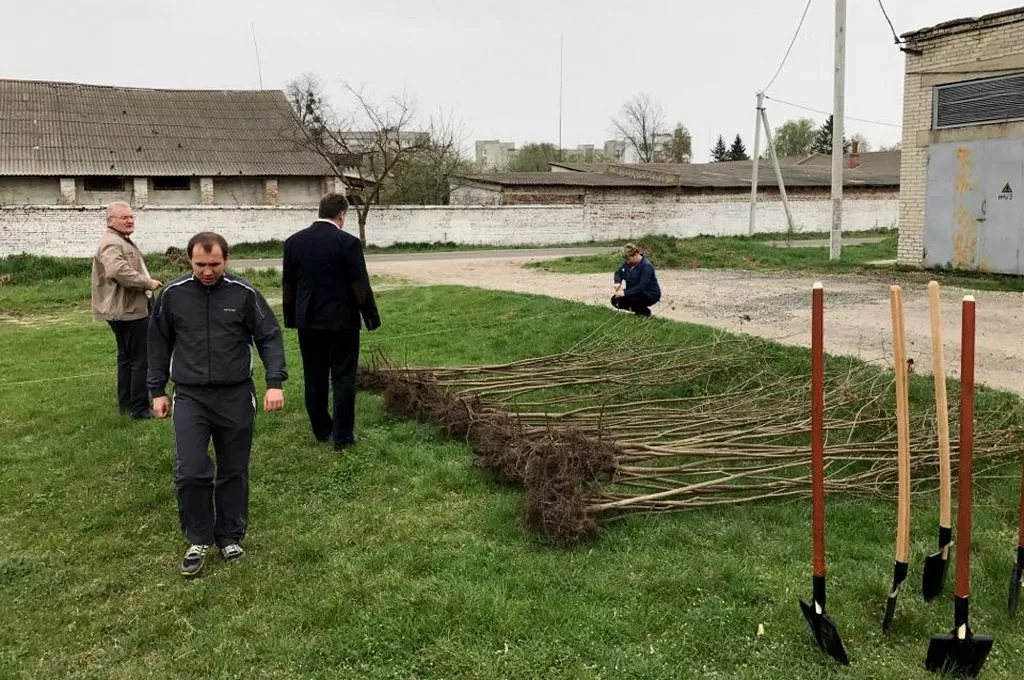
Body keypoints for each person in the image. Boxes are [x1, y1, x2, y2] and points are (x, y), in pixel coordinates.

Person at [148, 232, 287, 578]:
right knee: (191, 469)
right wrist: (157, 390)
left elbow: (269, 336)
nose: (207, 271)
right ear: (189, 261)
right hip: (191, 396)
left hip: (236, 395)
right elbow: (157, 343)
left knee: (233, 469)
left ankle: (229, 536)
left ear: (226, 260)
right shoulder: (173, 295)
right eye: (200, 265)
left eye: (214, 264)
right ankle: (197, 538)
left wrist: (274, 383)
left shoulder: (244, 294)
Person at [283, 193, 381, 451]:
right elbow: (359, 284)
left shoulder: (293, 242)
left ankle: (322, 429)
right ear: (341, 215)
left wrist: (291, 316)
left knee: (314, 376)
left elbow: (289, 285)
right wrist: (370, 316)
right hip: (342, 323)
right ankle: (343, 436)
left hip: (308, 322)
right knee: (343, 377)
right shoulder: (347, 242)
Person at [91, 201, 163, 419]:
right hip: (128, 310)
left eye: (131, 217)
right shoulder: (112, 242)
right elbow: (117, 270)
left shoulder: (120, 240)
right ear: (110, 221)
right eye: (124, 218)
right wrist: (147, 282)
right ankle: (140, 408)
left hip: (125, 309)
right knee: (140, 359)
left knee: (127, 359)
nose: (130, 220)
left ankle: (127, 405)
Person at [611, 243, 661, 317]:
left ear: (635, 254)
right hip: (634, 292)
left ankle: (645, 313)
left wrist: (625, 293)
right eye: (626, 259)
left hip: (649, 294)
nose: (627, 261)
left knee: (633, 299)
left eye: (628, 259)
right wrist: (617, 282)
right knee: (615, 300)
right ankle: (639, 310)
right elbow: (618, 273)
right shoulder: (628, 263)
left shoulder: (646, 266)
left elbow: (642, 286)